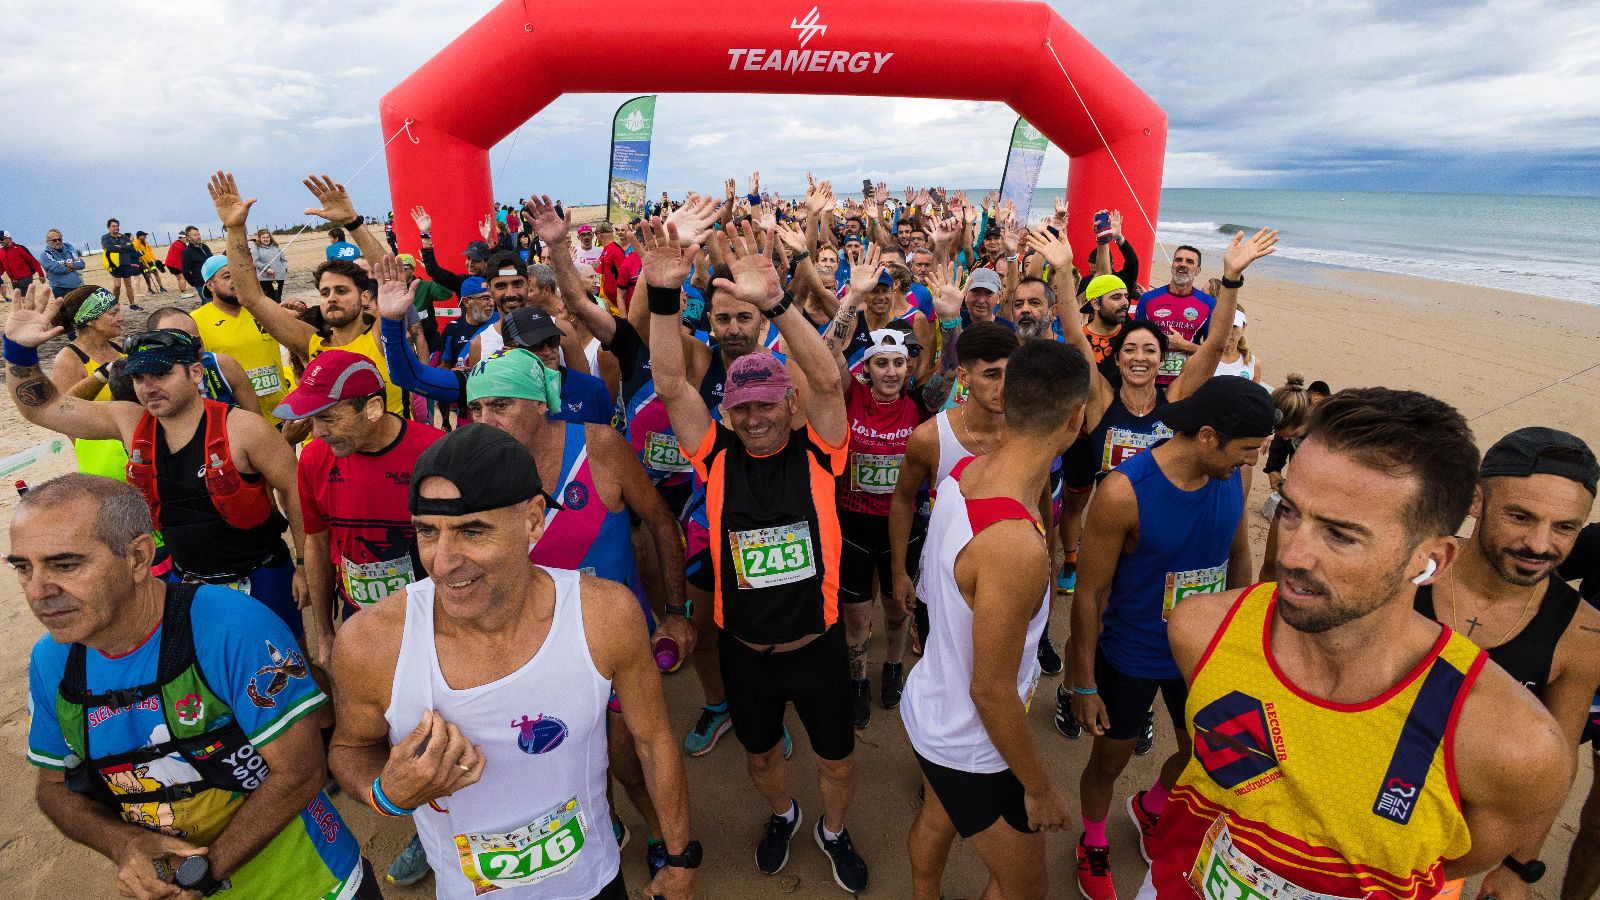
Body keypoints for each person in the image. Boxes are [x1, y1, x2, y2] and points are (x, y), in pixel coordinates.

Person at [1144, 387, 1573, 900]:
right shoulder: (1201, 630)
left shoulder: (1512, 745)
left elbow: (1460, 857)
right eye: (1289, 513)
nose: (1292, 555)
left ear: (1431, 560)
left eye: (1340, 535)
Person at [326, 424, 700, 899]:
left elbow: (652, 740)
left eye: (471, 531)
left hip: (593, 882)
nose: (442, 562)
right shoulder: (373, 644)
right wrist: (386, 794)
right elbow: (350, 750)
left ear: (533, 520)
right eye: (427, 532)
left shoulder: (604, 615)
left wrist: (681, 859)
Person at [16, 475, 376, 899]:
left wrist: (200, 877)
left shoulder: (232, 628)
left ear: (137, 557)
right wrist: (123, 843)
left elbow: (301, 773)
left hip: (311, 883)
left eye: (65, 564)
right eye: (22, 567)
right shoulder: (50, 660)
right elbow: (54, 787)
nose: (37, 591)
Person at [645, 218, 869, 891]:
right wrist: (662, 296)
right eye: (742, 408)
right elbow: (670, 386)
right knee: (761, 758)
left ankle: (832, 829)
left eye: (766, 403)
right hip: (745, 651)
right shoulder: (713, 455)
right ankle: (784, 814)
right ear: (730, 412)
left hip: (819, 645)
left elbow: (829, 385)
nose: (755, 418)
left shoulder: (822, 453)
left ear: (786, 401)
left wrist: (778, 305)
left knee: (837, 760)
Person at [462, 345, 696, 880]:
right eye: (475, 409)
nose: (483, 421)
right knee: (557, 760)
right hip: (536, 648)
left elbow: (661, 524)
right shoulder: (477, 474)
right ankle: (603, 824)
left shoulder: (600, 448)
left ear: (540, 403)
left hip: (615, 642)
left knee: (629, 760)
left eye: (499, 405)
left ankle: (662, 835)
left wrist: (676, 612)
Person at [1066, 375, 1276, 899]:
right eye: (1247, 450)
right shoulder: (1123, 492)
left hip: (1202, 655)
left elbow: (1238, 558)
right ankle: (1091, 841)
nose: (1251, 462)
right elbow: (1089, 593)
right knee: (1109, 762)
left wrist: (1241, 640)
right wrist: (1084, 683)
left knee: (1206, 755)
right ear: (1207, 436)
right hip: (1132, 655)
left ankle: (1152, 806)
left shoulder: (1230, 476)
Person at [5, 285, 310, 639]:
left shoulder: (244, 429)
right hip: (187, 582)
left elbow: (296, 492)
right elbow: (41, 407)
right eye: (138, 377)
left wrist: (303, 565)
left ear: (195, 374)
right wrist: (19, 351)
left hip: (262, 574)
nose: (148, 387)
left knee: (289, 664)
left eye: (161, 374)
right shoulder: (130, 422)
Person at [903, 340, 1091, 900]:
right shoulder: (1013, 546)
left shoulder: (969, 473)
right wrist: (1039, 788)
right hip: (973, 742)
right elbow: (990, 689)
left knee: (938, 819)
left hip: (931, 707)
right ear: (1075, 418)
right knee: (1025, 886)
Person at [1411, 427, 1600, 900]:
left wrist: (1520, 864)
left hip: (1445, 855)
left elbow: (1557, 760)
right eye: (1520, 516)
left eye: (1565, 528)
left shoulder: (1581, 635)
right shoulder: (1408, 567)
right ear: (1476, 500)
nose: (1539, 545)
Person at [208, 170, 406, 416]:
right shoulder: (309, 343)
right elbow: (251, 297)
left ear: (365, 296)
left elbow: (390, 278)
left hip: (386, 448)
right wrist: (235, 228)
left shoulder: (379, 336)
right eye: (324, 292)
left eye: (341, 290)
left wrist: (352, 222)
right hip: (328, 449)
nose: (331, 297)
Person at [889, 324, 1020, 651]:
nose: (1004, 386)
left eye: (1011, 373)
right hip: (942, 580)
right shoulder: (930, 438)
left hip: (1007, 579)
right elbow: (903, 500)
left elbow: (1039, 501)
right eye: (991, 375)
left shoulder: (1028, 434)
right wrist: (898, 571)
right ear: (963, 377)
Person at [829, 326, 929, 727]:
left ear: (908, 367)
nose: (890, 372)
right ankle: (857, 679)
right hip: (854, 523)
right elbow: (829, 352)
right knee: (855, 616)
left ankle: (892, 665)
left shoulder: (921, 403)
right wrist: (850, 299)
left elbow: (954, 368)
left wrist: (951, 322)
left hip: (902, 527)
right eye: (881, 363)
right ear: (866, 367)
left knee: (896, 607)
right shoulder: (850, 394)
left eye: (898, 363)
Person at [47, 287, 130, 481]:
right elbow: (64, 415)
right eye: (113, 313)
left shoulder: (118, 347)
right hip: (105, 460)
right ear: (91, 319)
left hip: (135, 445)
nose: (121, 318)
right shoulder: (68, 360)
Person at [144, 307, 262, 412]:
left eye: (196, 341)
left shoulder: (222, 366)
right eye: (179, 343)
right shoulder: (144, 381)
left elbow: (256, 421)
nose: (192, 348)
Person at [1135, 244, 1215, 388]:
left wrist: (1184, 345)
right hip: (1148, 380)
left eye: (1190, 262)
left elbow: (1213, 352)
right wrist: (1160, 343)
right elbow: (1134, 341)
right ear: (1172, 265)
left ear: (1198, 271)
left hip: (1186, 382)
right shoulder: (1148, 299)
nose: (1182, 264)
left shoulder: (1208, 304)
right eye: (1178, 260)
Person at [100, 219, 145, 309]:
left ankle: (132, 304)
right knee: (117, 286)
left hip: (126, 263)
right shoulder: (105, 238)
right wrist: (123, 247)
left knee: (128, 284)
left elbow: (131, 247)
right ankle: (114, 304)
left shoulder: (124, 237)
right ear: (109, 227)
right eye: (113, 226)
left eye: (117, 226)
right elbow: (108, 247)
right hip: (114, 264)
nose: (116, 228)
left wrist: (119, 247)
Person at [1212, 306, 1260, 382]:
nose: (1228, 331)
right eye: (1224, 325)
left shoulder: (1253, 364)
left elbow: (1255, 393)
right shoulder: (1202, 358)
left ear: (1244, 327)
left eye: (1234, 326)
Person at [40, 229, 86, 298]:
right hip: (60, 290)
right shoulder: (45, 255)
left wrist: (72, 265)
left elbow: (81, 264)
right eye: (54, 240)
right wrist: (69, 266)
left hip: (77, 287)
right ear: (48, 242)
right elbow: (56, 268)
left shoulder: (70, 251)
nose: (58, 242)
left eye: (59, 239)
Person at [0, 229, 46, 297]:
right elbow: (2, 267)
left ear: (9, 238)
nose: (0, 241)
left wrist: (41, 274)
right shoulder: (1, 252)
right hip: (13, 280)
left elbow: (33, 261)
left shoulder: (19, 248)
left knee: (27, 299)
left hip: (25, 278)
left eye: (2, 239)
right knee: (18, 300)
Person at [250, 228, 289, 302]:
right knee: (270, 299)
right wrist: (266, 269)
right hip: (265, 278)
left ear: (270, 237)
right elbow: (256, 261)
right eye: (263, 237)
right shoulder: (256, 248)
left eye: (267, 237)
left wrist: (284, 269)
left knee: (278, 298)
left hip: (279, 276)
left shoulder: (275, 246)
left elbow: (283, 259)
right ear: (259, 238)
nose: (266, 239)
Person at [178, 225, 214, 293]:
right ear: (188, 237)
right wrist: (196, 283)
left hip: (213, 282)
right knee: (207, 303)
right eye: (195, 235)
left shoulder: (205, 247)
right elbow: (186, 272)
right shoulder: (187, 252)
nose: (198, 237)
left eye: (198, 234)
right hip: (201, 285)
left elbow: (212, 261)